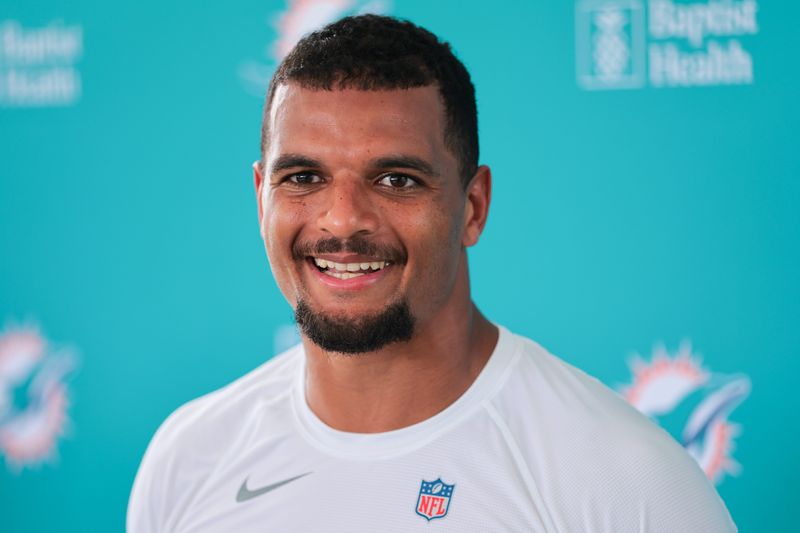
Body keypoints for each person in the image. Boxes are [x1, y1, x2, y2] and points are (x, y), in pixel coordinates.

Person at [128, 14, 736, 532]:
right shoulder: (188, 457)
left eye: (396, 180)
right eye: (304, 178)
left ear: (472, 207)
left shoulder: (628, 482)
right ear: (261, 196)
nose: (342, 220)